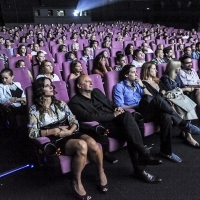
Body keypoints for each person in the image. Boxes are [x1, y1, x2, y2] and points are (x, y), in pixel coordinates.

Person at [68, 74, 163, 184]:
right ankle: (142, 161)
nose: (91, 83)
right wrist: (114, 115)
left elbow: (110, 103)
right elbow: (89, 117)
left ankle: (142, 159)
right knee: (130, 131)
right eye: (87, 81)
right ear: (79, 86)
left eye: (91, 81)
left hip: (116, 120)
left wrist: (116, 108)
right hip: (102, 127)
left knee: (128, 120)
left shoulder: (97, 92)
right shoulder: (74, 102)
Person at [28, 77, 108, 199]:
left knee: (93, 143)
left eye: (51, 85)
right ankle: (76, 181)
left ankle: (100, 171)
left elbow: (74, 121)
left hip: (69, 131)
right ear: (40, 89)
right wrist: (53, 130)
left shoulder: (61, 104)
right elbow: (32, 133)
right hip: (55, 137)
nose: (51, 87)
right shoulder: (34, 110)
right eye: (47, 85)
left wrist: (70, 130)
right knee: (82, 145)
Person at [140, 62, 200, 147]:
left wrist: (164, 94)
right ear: (147, 70)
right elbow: (152, 99)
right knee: (182, 104)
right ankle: (187, 130)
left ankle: (187, 133)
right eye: (153, 69)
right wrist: (162, 94)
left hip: (167, 102)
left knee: (184, 100)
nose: (156, 70)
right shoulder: (144, 84)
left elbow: (167, 91)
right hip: (157, 107)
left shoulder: (157, 80)